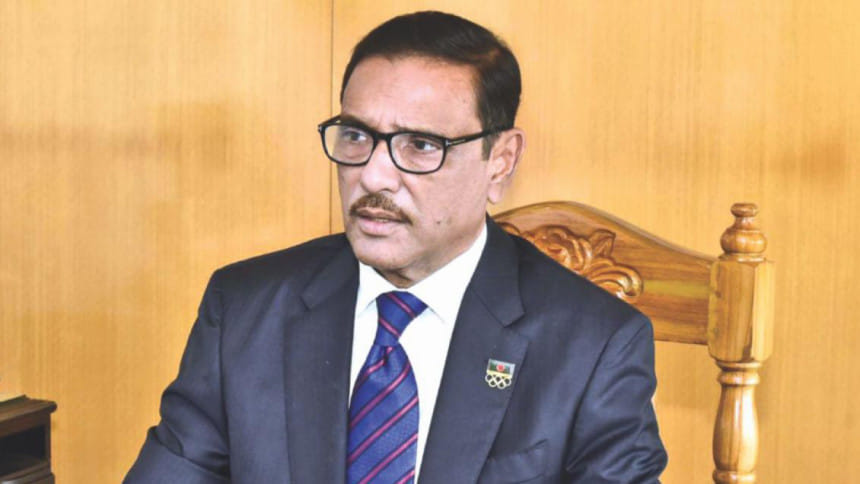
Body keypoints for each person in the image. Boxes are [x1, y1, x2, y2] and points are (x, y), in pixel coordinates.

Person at [125, 11, 667, 484]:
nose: (373, 175)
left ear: (500, 161)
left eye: (421, 145)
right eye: (356, 136)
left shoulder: (595, 346)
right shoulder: (246, 310)